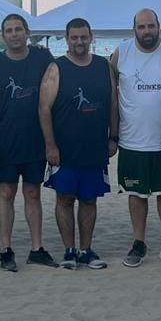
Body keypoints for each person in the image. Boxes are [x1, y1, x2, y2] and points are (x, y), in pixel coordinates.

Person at [109, 8, 161, 268]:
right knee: (137, 194)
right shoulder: (121, 53)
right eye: (141, 27)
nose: (147, 31)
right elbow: (110, 94)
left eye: (150, 26)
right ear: (134, 29)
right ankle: (138, 243)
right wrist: (112, 134)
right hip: (132, 140)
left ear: (159, 26)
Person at [39, 18, 116, 270]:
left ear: (91, 37)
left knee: (90, 199)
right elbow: (44, 109)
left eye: (83, 37)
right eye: (74, 37)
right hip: (65, 149)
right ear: (67, 38)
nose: (79, 42)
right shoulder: (56, 68)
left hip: (94, 147)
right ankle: (69, 250)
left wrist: (113, 137)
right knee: (64, 199)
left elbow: (113, 104)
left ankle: (86, 249)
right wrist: (50, 146)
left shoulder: (103, 66)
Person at [0, 12, 58, 271]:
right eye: (9, 30)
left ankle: (37, 248)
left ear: (27, 32)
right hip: (5, 140)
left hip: (36, 139)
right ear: (3, 35)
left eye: (18, 29)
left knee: (32, 193)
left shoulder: (42, 57)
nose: (14, 34)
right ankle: (6, 249)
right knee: (6, 193)